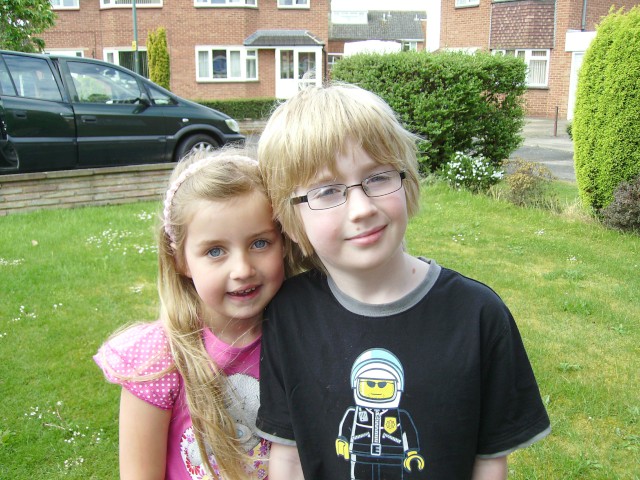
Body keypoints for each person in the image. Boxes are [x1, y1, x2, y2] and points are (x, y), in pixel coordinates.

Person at [255, 84, 551, 480]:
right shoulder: (288, 315)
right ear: (291, 220)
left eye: (377, 178)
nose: (361, 209)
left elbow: (489, 461)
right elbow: (289, 456)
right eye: (326, 191)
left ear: (406, 179)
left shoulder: (478, 316)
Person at [95, 148, 296, 479]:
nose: (242, 269)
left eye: (259, 243)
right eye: (215, 251)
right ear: (181, 260)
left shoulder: (303, 337)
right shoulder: (159, 359)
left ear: (284, 243)